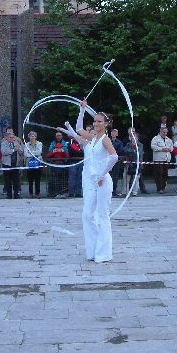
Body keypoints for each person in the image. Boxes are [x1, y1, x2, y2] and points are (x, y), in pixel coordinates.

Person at [60, 99, 119, 263]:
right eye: (95, 121)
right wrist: (82, 109)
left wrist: (102, 175)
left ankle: (103, 253)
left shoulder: (105, 139)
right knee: (87, 215)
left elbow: (114, 157)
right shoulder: (92, 137)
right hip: (91, 181)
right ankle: (92, 251)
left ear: (105, 124)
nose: (96, 123)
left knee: (102, 216)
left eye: (99, 121)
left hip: (102, 181)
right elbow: (78, 128)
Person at [44, 131, 69, 198]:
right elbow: (48, 155)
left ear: (62, 136)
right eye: (57, 135)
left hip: (63, 165)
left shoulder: (64, 143)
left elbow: (67, 155)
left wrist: (63, 151)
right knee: (55, 179)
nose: (58, 137)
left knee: (63, 179)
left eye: (59, 135)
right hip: (54, 164)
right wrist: (53, 151)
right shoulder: (53, 143)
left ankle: (64, 192)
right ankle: (56, 193)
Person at [0, 127, 24, 199]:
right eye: (10, 137)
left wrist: (18, 149)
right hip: (7, 164)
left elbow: (22, 151)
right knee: (8, 180)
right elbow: (4, 152)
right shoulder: (3, 143)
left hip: (15, 164)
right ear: (7, 138)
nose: (12, 139)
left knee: (16, 180)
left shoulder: (16, 143)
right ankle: (9, 195)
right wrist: (13, 150)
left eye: (13, 137)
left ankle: (16, 194)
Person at [123, 127, 146, 196]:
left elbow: (139, 152)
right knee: (126, 179)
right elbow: (125, 150)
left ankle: (135, 192)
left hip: (137, 165)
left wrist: (132, 151)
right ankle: (125, 191)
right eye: (132, 138)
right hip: (128, 165)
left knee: (136, 179)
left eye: (135, 137)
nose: (133, 139)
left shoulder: (140, 145)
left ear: (137, 138)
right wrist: (132, 151)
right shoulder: (128, 144)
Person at [151, 126, 173, 194]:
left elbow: (172, 148)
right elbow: (153, 146)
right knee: (159, 174)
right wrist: (162, 149)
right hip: (158, 159)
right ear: (160, 132)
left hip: (166, 159)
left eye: (166, 132)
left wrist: (169, 149)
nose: (165, 133)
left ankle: (163, 188)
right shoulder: (155, 138)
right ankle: (159, 188)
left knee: (165, 174)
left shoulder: (169, 140)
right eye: (164, 132)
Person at [23, 131, 43, 199]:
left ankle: (38, 193)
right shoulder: (26, 144)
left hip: (38, 164)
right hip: (29, 164)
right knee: (30, 180)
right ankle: (30, 193)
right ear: (29, 137)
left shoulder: (39, 143)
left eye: (33, 136)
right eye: (31, 136)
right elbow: (25, 154)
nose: (32, 137)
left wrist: (30, 153)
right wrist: (34, 154)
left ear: (35, 137)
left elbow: (39, 152)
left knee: (37, 180)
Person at [67, 131, 84, 198]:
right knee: (72, 178)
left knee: (80, 177)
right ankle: (71, 193)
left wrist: (79, 150)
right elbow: (70, 152)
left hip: (81, 161)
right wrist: (79, 150)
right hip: (73, 162)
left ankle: (78, 192)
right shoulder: (70, 142)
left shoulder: (82, 142)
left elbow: (83, 152)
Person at [109, 128, 124, 197]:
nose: (113, 134)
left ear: (117, 134)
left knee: (115, 177)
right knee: (109, 176)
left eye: (115, 132)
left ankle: (114, 190)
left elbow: (121, 151)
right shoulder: (108, 141)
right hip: (108, 161)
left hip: (116, 161)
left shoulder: (119, 142)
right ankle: (109, 190)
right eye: (112, 132)